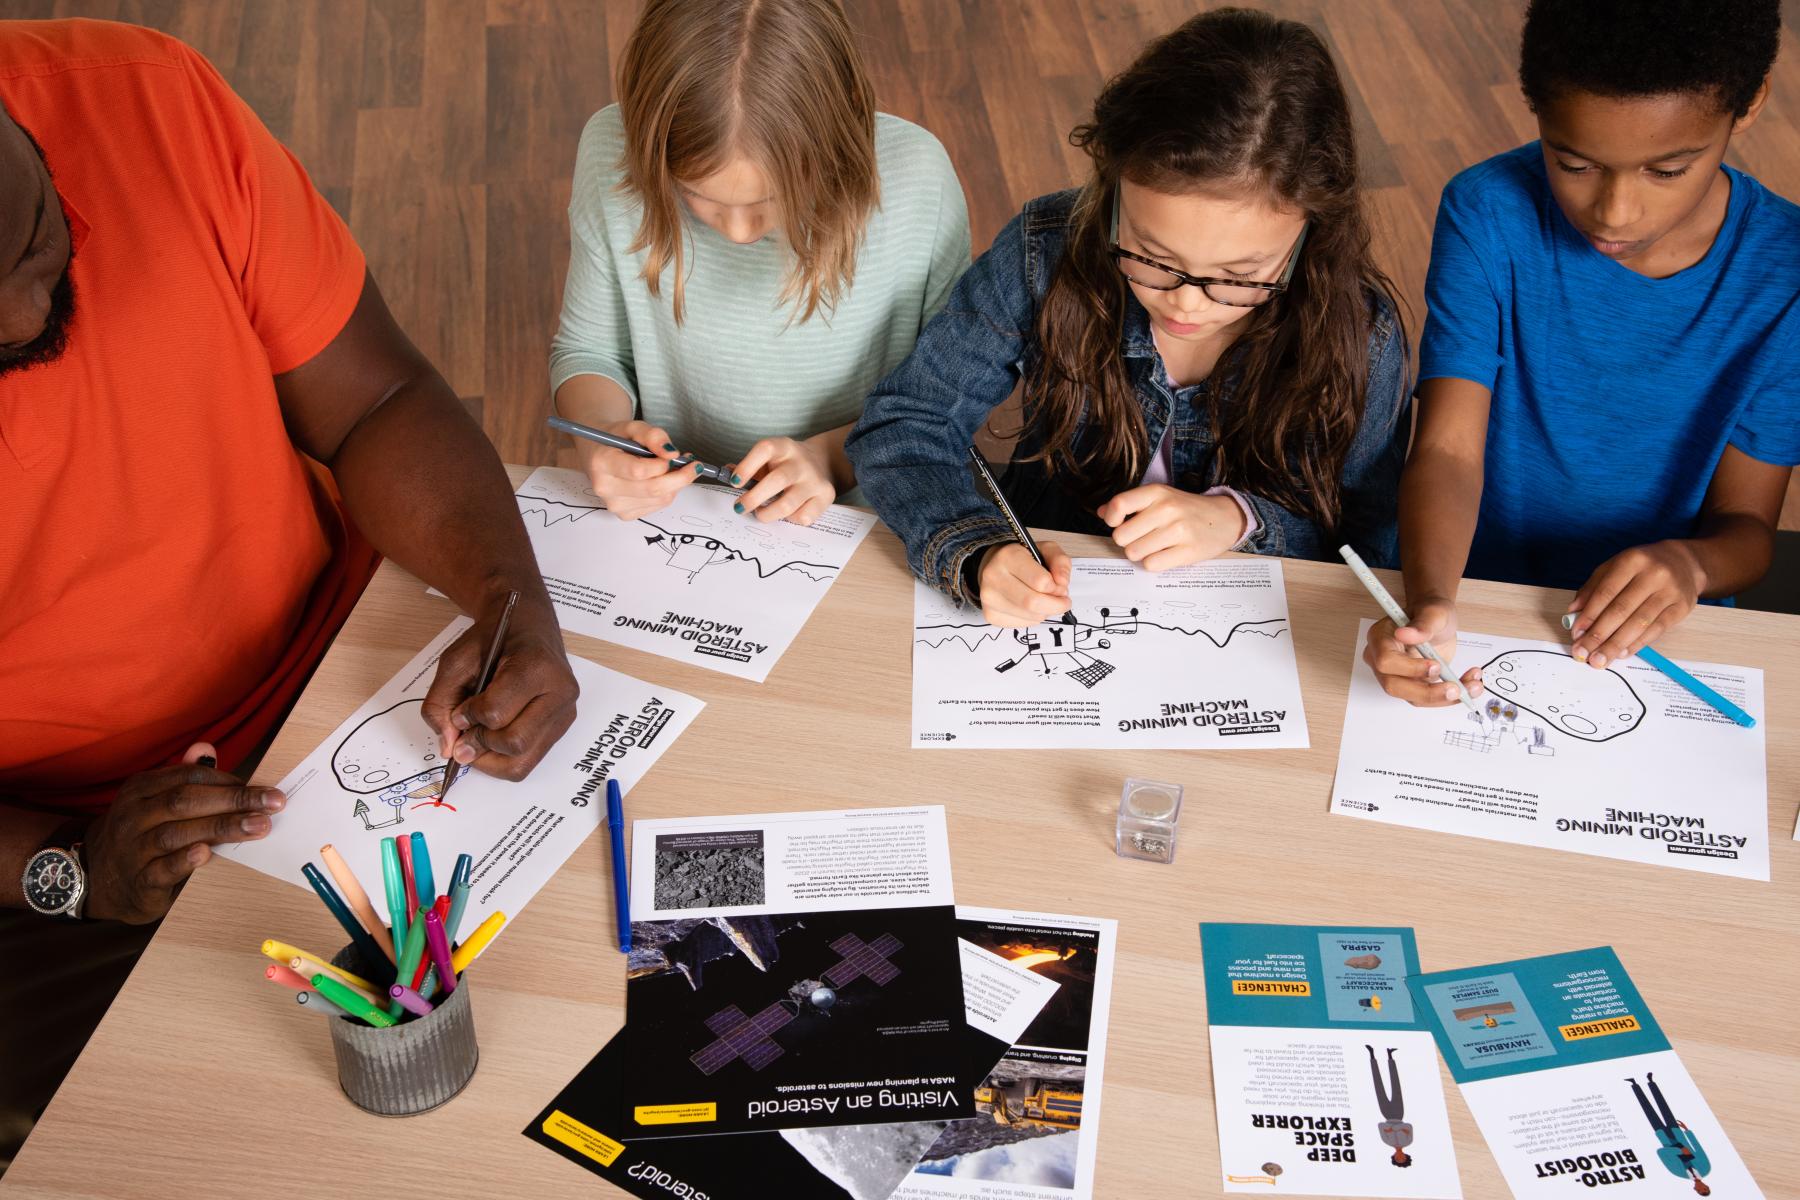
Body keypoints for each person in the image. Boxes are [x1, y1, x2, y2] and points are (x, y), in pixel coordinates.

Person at [0, 20, 579, 1172]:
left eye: (33, 241)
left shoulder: (143, 97)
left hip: (349, 683)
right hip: (58, 835)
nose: (25, 321)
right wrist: (62, 869)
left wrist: (510, 599)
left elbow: (376, 401)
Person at [845, 8, 1409, 627]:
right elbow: (907, 421)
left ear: (1311, 231)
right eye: (1152, 257)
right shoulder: (1046, 252)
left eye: (1240, 277)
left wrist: (1238, 519)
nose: (1187, 303)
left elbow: (1366, 542)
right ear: (1112, 190)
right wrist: (974, 550)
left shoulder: (1360, 331)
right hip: (1058, 587)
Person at [1364, 0, 1799, 706]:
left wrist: (1690, 566)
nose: (1614, 211)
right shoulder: (1488, 213)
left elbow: (1748, 529)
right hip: (1469, 591)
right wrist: (1434, 601)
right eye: (1572, 162)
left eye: (1667, 171)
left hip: (1656, 636)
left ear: (1750, 104)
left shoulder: (1787, 275)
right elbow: (1446, 452)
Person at [549, 0, 969, 526]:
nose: (739, 231)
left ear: (836, 148)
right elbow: (589, 350)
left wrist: (832, 459)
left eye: (770, 202)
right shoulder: (612, 153)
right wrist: (603, 437)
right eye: (699, 197)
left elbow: (950, 398)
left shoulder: (918, 181)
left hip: (867, 511)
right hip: (675, 510)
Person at [1629, 1074, 1712, 1194]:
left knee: (1648, 1111)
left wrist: (1680, 1150)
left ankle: (1634, 1084)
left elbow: (1661, 1152)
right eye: (1705, 1188)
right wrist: (1687, 1131)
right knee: (1664, 1108)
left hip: (1663, 1136)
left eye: (1700, 1191)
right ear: (1707, 1186)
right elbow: (1698, 1148)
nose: (1701, 1188)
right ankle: (1651, 1081)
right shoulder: (1705, 1168)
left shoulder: (1677, 1172)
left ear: (1695, 1190)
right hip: (1678, 1134)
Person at [1367, 1044, 1414, 1167]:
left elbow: (1381, 1125)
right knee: (1396, 1086)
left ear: (1393, 1157)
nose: (1399, 1157)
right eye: (1402, 1159)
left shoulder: (1387, 1141)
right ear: (1405, 1156)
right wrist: (1395, 1129)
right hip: (1399, 1114)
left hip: (1386, 1113)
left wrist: (1394, 1129)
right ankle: (1390, 1056)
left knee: (1379, 1087)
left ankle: (1372, 1055)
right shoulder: (1408, 1142)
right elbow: (1408, 1126)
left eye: (1398, 1159)